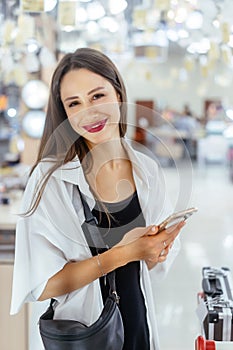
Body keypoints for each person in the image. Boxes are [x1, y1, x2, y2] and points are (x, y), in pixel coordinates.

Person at [10, 47, 185, 350]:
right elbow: (43, 284)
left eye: (97, 96)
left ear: (118, 94)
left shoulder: (147, 169)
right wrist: (125, 253)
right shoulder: (51, 180)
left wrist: (157, 250)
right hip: (85, 336)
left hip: (139, 329)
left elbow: (151, 266)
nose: (88, 113)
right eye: (74, 104)